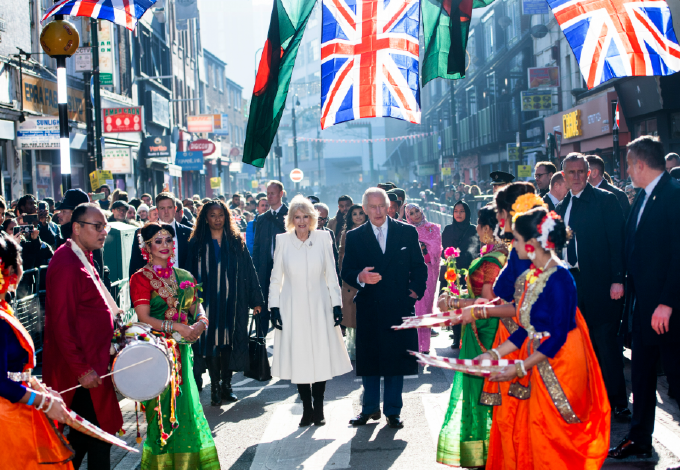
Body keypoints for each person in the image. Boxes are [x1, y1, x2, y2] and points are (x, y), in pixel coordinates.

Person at [474, 206, 610, 469]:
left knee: (555, 438)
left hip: (561, 362)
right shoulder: (533, 274)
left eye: (517, 239)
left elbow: (558, 336)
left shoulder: (560, 279)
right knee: (538, 434)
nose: (513, 244)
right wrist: (494, 355)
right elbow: (527, 328)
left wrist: (519, 367)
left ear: (534, 242)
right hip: (540, 357)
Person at [610, 136, 680, 459]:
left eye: (628, 163)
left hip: (667, 310)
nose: (626, 170)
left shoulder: (673, 195)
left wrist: (667, 302)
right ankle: (639, 440)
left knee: (677, 382)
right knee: (641, 375)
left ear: (640, 163)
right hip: (642, 308)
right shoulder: (641, 196)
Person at [129, 222, 220, 469]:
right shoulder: (140, 279)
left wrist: (201, 323)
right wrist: (178, 327)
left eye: (168, 240)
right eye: (158, 241)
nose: (165, 245)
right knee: (161, 414)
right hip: (157, 355)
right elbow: (144, 317)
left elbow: (197, 307)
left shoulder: (184, 276)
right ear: (146, 247)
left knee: (186, 408)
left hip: (183, 352)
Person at [43, 204, 124, 468]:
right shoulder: (66, 263)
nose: (103, 233)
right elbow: (61, 326)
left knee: (87, 437)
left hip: (96, 364)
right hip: (82, 372)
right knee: (95, 436)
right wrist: (82, 370)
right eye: (97, 226)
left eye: (105, 227)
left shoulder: (82, 255)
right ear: (77, 228)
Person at [342, 188, 427, 429]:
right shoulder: (355, 236)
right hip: (369, 306)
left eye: (382, 206)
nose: (378, 212)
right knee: (369, 360)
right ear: (365, 208)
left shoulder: (407, 232)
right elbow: (346, 271)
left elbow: (420, 269)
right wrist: (360, 277)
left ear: (389, 206)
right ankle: (369, 409)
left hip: (398, 304)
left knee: (395, 360)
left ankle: (393, 410)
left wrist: (414, 292)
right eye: (373, 207)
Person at [555, 153, 630, 421]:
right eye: (570, 172)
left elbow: (617, 242)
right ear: (563, 176)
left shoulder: (605, 201)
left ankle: (618, 403)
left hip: (601, 285)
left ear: (589, 173)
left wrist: (618, 279)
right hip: (571, 286)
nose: (576, 176)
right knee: (577, 347)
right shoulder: (561, 207)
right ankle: (587, 401)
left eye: (580, 171)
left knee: (607, 346)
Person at [269, 196, 352, 427]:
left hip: (320, 305)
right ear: (291, 219)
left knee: (320, 356)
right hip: (291, 306)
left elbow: (331, 273)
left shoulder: (324, 237)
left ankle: (320, 407)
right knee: (300, 357)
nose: (302, 221)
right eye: (297, 216)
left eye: (306, 216)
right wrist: (273, 307)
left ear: (313, 218)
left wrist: (337, 304)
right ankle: (307, 408)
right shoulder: (283, 240)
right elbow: (276, 277)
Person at [435, 205, 508, 468]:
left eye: (479, 225)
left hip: (483, 332)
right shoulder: (501, 255)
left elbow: (487, 303)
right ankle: (491, 449)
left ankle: (484, 453)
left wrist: (455, 302)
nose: (477, 230)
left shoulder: (492, 261)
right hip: (486, 330)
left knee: (480, 391)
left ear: (488, 229)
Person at [0, 232, 75, 469]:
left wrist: (36, 386)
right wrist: (41, 400)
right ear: (11, 269)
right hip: (7, 420)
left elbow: (14, 368)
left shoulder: (4, 309)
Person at [187, 200, 264, 406]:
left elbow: (249, 269)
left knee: (228, 343)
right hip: (207, 303)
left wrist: (256, 300)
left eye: (220, 215)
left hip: (232, 302)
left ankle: (226, 385)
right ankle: (214, 387)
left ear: (226, 217)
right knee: (212, 344)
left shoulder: (235, 241)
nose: (217, 219)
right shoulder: (196, 243)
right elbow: (187, 275)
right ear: (205, 218)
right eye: (212, 215)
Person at [440, 200, 479, 348]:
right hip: (452, 273)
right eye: (456, 211)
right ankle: (456, 337)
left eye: (462, 211)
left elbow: (477, 251)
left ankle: (466, 336)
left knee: (467, 304)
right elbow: (444, 251)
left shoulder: (473, 229)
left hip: (469, 272)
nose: (458, 214)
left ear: (467, 213)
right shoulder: (448, 230)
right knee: (453, 304)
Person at [252, 181, 288, 337]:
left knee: (285, 307)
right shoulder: (262, 219)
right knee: (263, 308)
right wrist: (255, 272)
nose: (269, 197)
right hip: (265, 270)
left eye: (272, 193)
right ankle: (261, 344)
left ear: (281, 194)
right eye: (268, 194)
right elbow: (257, 246)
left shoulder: (291, 214)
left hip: (286, 270)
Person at [404, 203, 441, 354]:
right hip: (411, 273)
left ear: (421, 210)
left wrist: (423, 246)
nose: (415, 214)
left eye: (417, 210)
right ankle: (414, 346)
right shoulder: (407, 230)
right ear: (408, 217)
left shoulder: (434, 228)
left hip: (430, 272)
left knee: (425, 308)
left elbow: (436, 249)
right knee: (413, 308)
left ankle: (424, 347)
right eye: (411, 213)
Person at [129, 192, 192, 277]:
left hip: (183, 286)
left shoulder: (189, 233)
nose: (166, 212)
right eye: (162, 208)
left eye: (169, 207)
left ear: (175, 209)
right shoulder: (143, 233)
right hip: (152, 286)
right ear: (157, 210)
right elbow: (135, 265)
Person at [338, 204, 368, 361]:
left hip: (368, 277)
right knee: (351, 318)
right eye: (354, 214)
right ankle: (353, 351)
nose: (358, 216)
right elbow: (342, 255)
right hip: (351, 280)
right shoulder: (346, 234)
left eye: (361, 213)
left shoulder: (372, 230)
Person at [314, 202, 340, 278]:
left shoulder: (329, 233)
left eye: (325, 219)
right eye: (319, 218)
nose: (322, 221)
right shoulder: (302, 233)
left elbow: (334, 256)